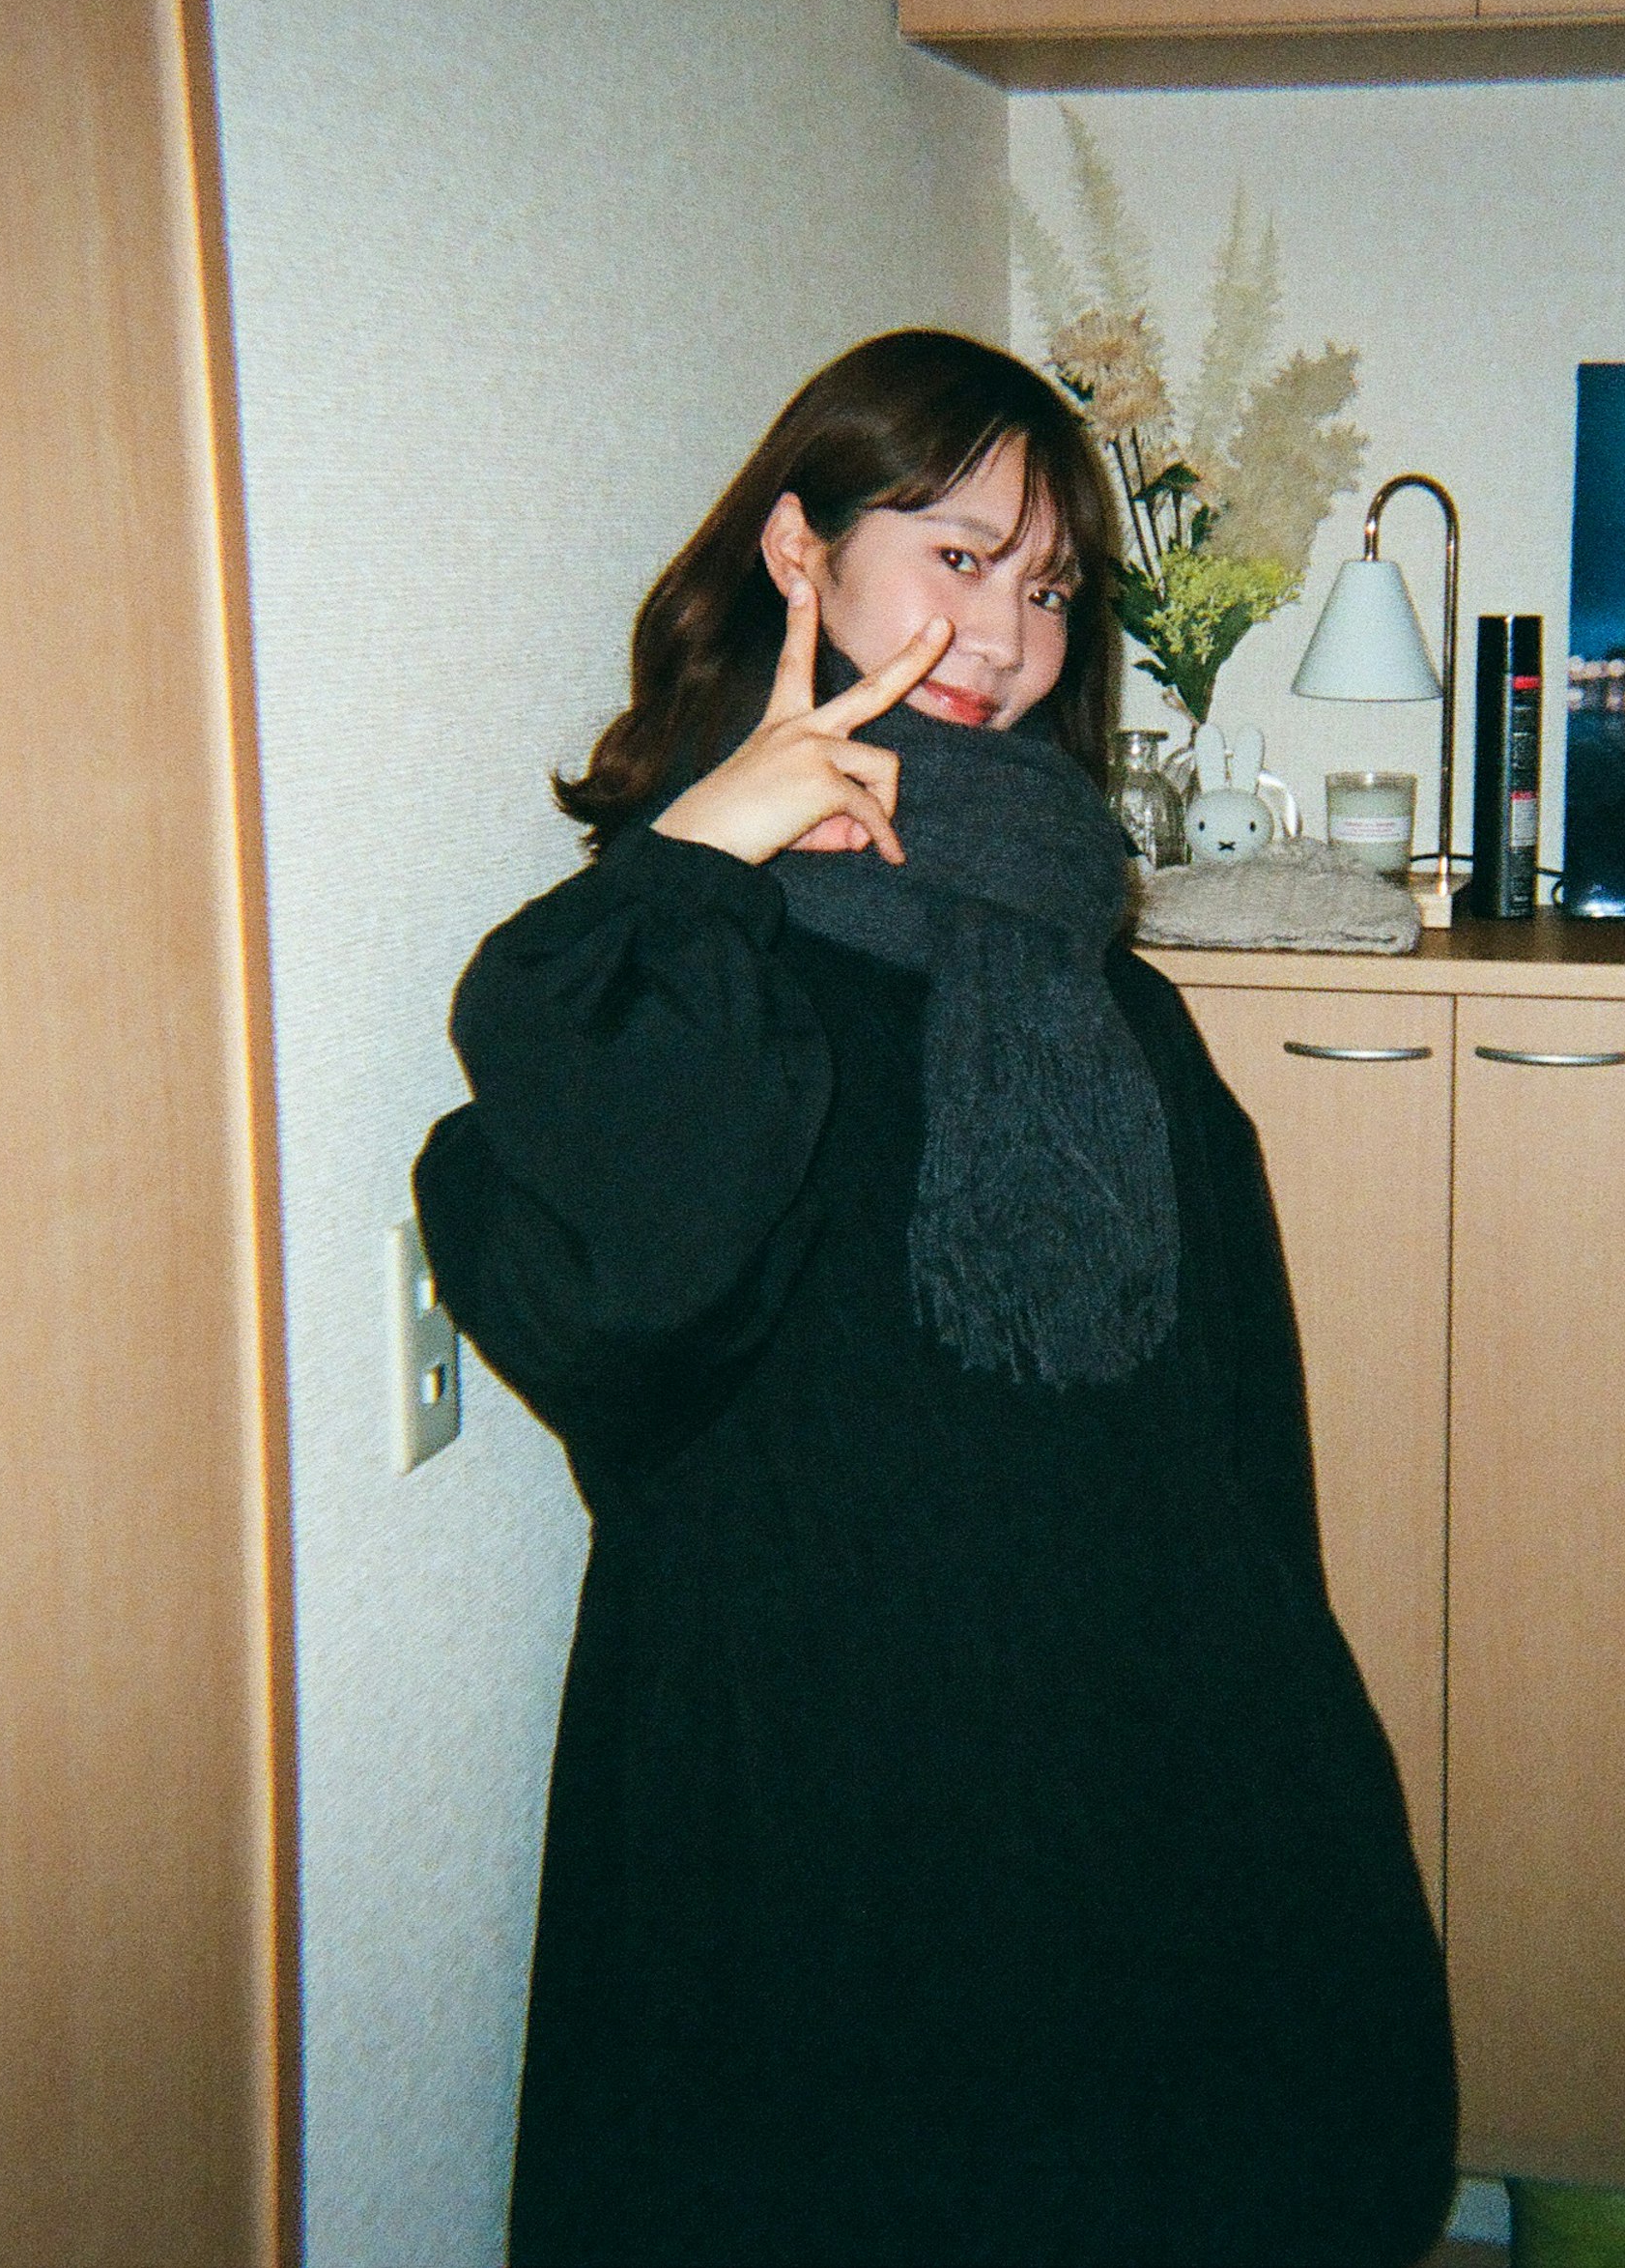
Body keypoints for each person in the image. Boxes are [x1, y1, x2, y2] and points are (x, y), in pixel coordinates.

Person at [415, 330, 1457, 2268]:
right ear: (800, 555)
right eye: (958, 555)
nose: (1008, 633)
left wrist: (1286, 1736)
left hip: (1122, 1756)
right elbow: (626, 1301)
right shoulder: (693, 959)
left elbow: (1237, 1419)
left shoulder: (1093, 972)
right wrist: (708, 844)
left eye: (1048, 585)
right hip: (806, 1779)